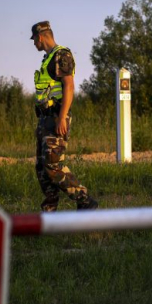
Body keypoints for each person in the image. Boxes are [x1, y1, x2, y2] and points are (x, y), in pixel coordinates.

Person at [30, 21, 98, 211]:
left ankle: (84, 199)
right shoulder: (47, 58)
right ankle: (49, 210)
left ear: (40, 36)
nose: (33, 43)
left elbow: (69, 85)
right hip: (45, 119)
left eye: (34, 39)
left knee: (53, 166)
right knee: (42, 167)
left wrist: (62, 117)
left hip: (56, 118)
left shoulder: (61, 55)